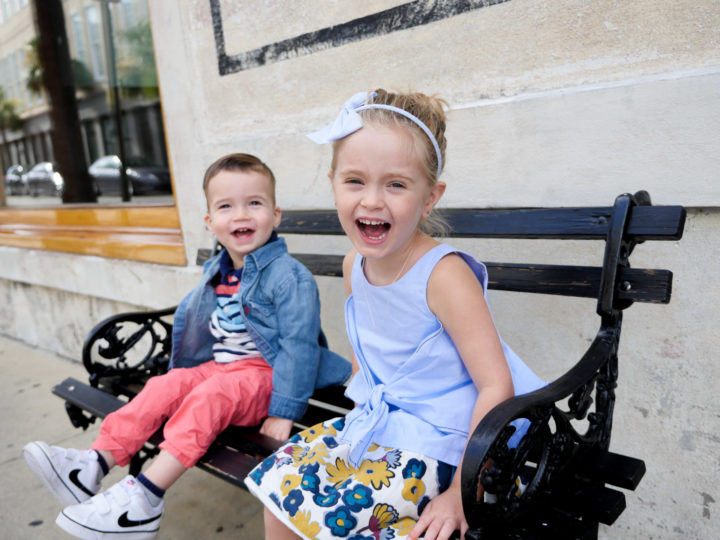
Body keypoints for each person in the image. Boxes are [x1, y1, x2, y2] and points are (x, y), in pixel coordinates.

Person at [243, 90, 545, 540]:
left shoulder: (443, 275)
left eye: (396, 185)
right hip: (387, 427)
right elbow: (369, 353)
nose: (372, 201)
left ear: (429, 198)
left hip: (449, 445)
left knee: (347, 515)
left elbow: (495, 385)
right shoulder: (354, 266)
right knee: (281, 490)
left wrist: (465, 489)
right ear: (333, 183)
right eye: (355, 181)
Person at [23, 153, 351, 540]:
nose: (241, 215)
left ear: (275, 215)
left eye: (254, 203)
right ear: (211, 223)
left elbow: (298, 347)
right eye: (226, 206)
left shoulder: (289, 277)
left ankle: (145, 499)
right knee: (165, 384)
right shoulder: (219, 271)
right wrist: (184, 376)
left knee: (210, 394)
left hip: (268, 375)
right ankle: (93, 464)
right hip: (223, 369)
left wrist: (284, 411)